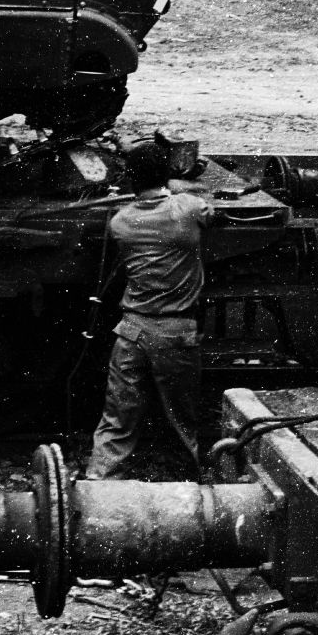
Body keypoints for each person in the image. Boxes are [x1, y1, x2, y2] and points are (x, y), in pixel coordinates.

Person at [86, 142, 216, 481]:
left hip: (130, 333)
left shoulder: (121, 222)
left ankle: (97, 482)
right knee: (183, 422)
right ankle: (190, 486)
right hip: (176, 334)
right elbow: (207, 209)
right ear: (166, 175)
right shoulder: (188, 208)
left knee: (117, 421)